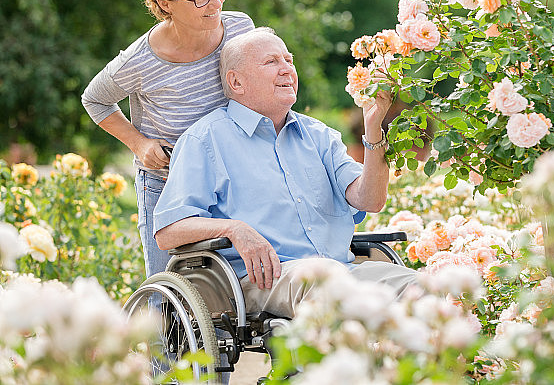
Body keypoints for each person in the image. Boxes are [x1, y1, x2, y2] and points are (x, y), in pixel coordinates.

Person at [153, 28, 417, 319]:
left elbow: (371, 200)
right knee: (326, 280)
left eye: (288, 60)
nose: (287, 70)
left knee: (424, 290)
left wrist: (373, 128)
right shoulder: (205, 140)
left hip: (340, 272)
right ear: (237, 81)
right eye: (272, 62)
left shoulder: (319, 135)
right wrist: (234, 229)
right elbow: (168, 231)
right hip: (259, 281)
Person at [81, 0, 255, 277]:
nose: (216, 2)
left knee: (232, 286)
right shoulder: (142, 60)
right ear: (165, 2)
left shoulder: (240, 30)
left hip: (231, 176)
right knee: (169, 291)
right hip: (167, 184)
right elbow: (95, 99)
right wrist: (140, 144)